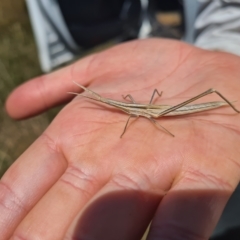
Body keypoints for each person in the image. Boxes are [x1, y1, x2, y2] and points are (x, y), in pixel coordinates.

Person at [1, 37, 240, 239]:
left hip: (168, 111)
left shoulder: (138, 114)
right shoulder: (128, 109)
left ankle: (232, 107)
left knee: (210, 93)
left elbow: (145, 118)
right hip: (158, 106)